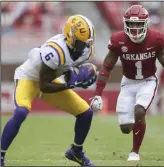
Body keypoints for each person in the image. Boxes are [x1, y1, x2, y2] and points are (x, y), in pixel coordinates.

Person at [1, 14, 97, 166]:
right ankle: (0, 155)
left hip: (49, 79)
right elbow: (43, 85)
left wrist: (80, 77)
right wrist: (69, 85)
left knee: (86, 113)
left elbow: (67, 70)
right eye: (81, 43)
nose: (84, 47)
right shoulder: (55, 50)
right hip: (29, 77)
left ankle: (76, 151)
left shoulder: (85, 50)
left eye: (86, 43)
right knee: (21, 112)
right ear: (70, 37)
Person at [90, 5, 164, 161]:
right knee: (125, 128)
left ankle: (134, 152)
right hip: (128, 83)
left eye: (139, 24)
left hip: (148, 81)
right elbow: (107, 67)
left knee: (139, 110)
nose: (135, 29)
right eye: (131, 25)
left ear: (146, 24)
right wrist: (97, 94)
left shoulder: (156, 38)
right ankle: (137, 126)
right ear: (126, 24)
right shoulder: (118, 40)